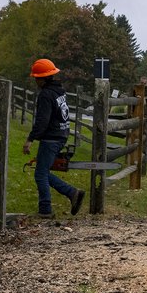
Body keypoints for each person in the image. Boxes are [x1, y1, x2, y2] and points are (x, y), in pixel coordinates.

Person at [22, 57, 85, 217]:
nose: (35, 81)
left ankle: (46, 209)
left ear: (43, 79)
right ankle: (72, 193)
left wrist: (30, 139)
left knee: (40, 174)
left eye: (37, 78)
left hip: (51, 137)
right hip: (62, 134)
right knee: (43, 171)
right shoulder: (59, 91)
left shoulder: (46, 95)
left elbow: (42, 121)